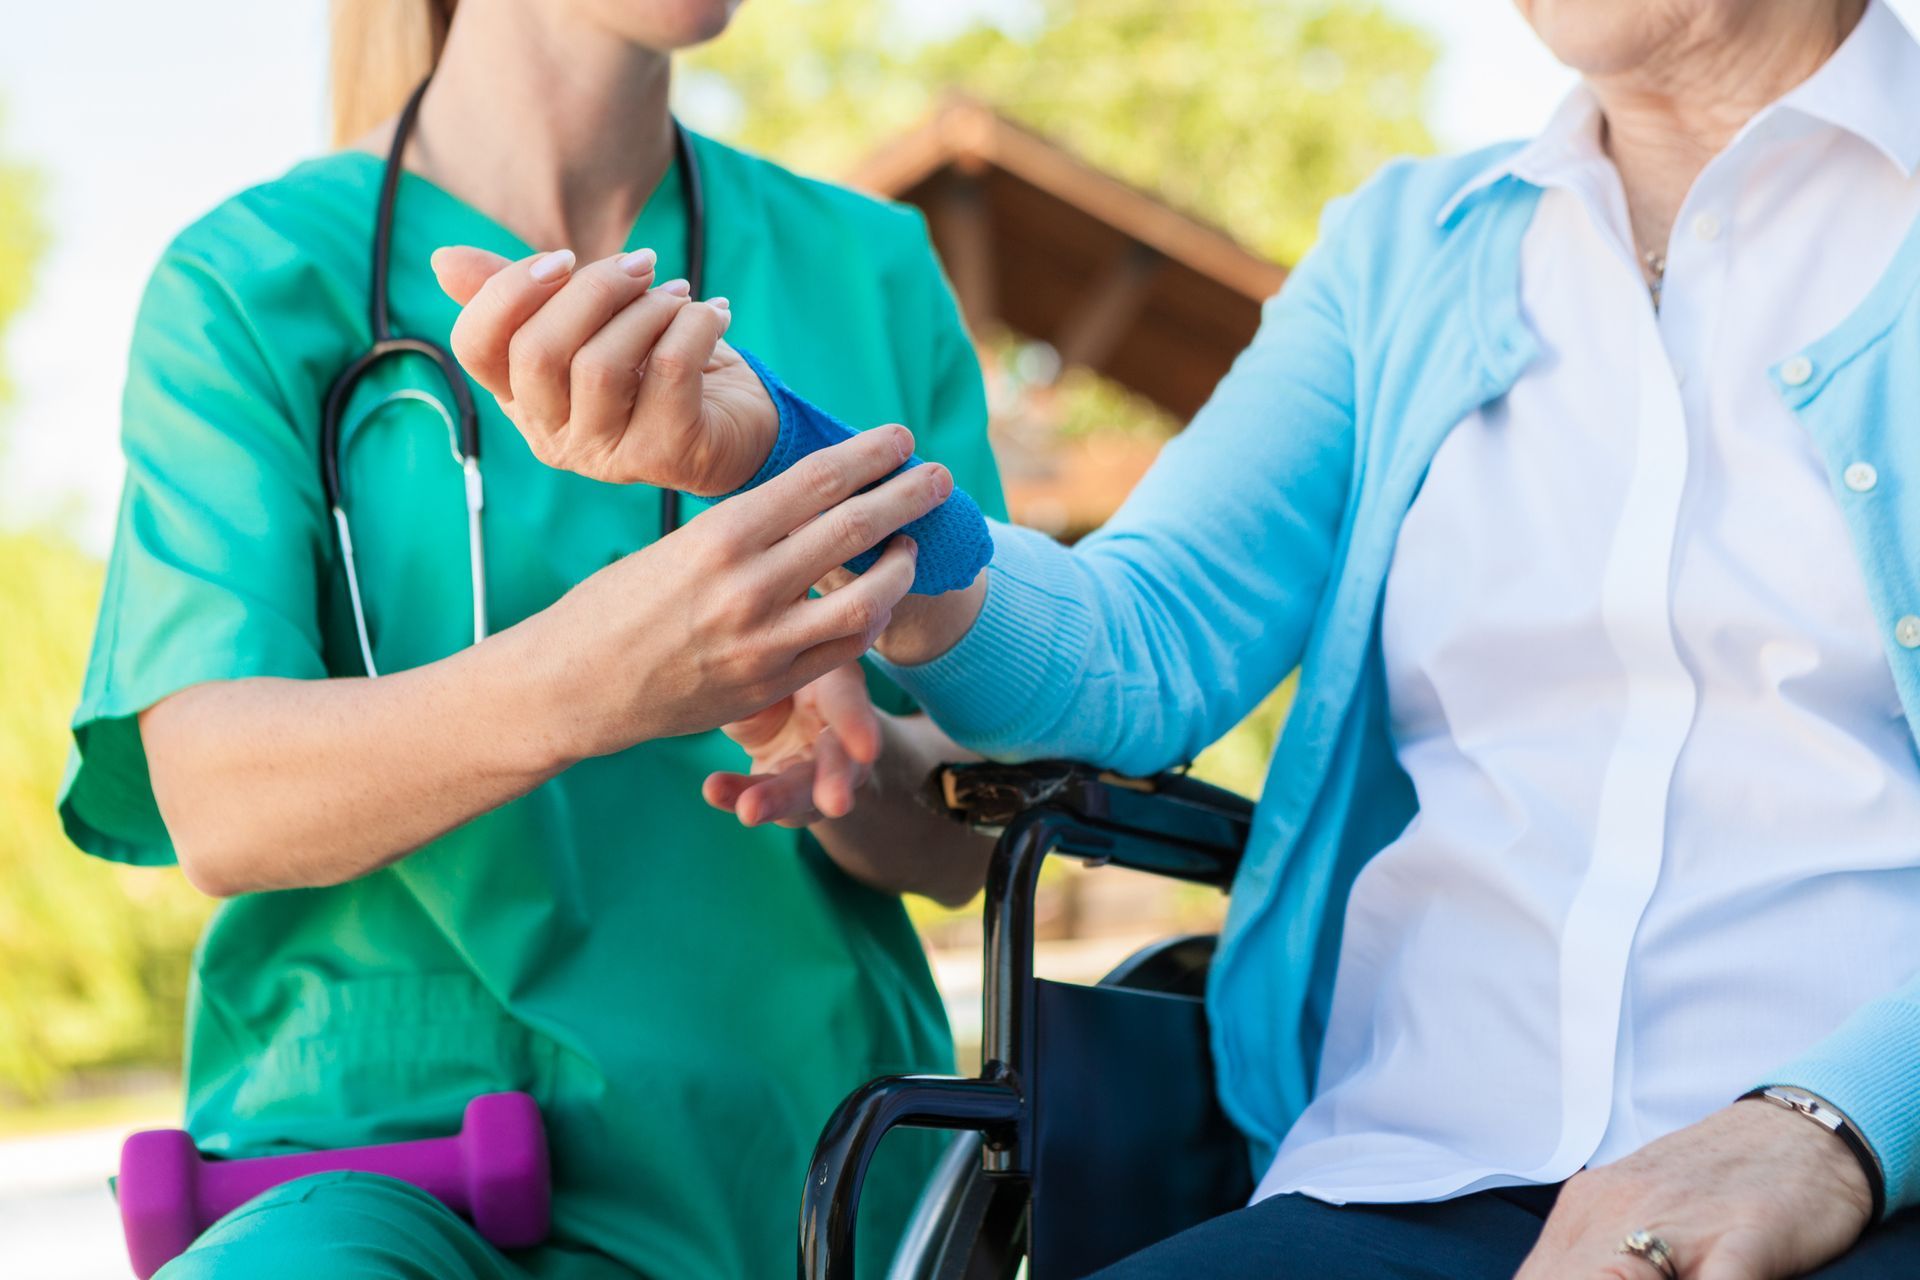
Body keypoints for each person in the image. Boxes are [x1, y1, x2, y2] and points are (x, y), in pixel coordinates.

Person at [472, 0, 1920, 1274]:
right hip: (1392, 1189)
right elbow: (1140, 643)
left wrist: (1831, 1127)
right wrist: (777, 453)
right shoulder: (1408, 256)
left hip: (1867, 1186)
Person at [57, 1, 1004, 1277]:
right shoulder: (253, 281)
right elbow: (216, 798)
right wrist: (595, 679)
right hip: (385, 1178)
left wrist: (853, 764)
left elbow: (969, 838)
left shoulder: (871, 271)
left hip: (808, 1189)